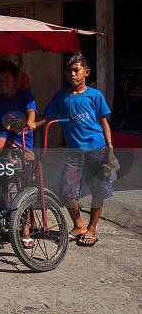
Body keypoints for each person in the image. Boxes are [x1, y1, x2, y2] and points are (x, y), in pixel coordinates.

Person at [39, 54, 115, 247]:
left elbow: (104, 123)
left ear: (86, 72)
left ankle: (92, 229)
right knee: (67, 192)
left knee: (99, 191)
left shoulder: (95, 95)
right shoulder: (61, 96)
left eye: (76, 70)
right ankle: (79, 225)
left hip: (97, 149)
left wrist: (110, 148)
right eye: (69, 71)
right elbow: (46, 117)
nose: (72, 74)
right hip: (74, 152)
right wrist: (30, 124)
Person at [0, 61, 37, 157]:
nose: (3, 82)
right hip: (2, 139)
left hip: (23, 142)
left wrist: (30, 122)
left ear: (15, 79)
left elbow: (31, 111)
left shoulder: (26, 95)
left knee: (24, 159)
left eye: (6, 77)